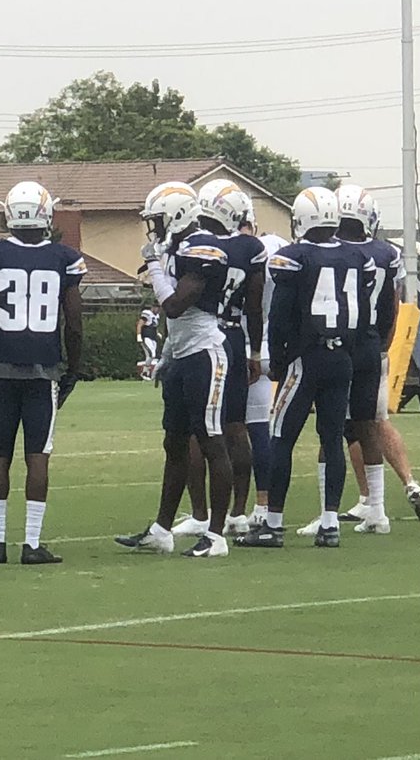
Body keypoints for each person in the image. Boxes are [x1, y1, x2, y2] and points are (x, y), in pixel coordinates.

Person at [236, 187, 374, 549]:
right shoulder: (358, 257)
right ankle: (330, 523)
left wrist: (279, 359)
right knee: (331, 439)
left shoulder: (293, 257)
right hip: (343, 356)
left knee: (282, 437)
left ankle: (273, 524)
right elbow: (365, 312)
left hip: (306, 357)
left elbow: (279, 316)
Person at [0, 181, 85, 565]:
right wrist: (73, 370)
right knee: (38, 456)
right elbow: (74, 324)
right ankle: (31, 544)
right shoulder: (65, 258)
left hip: (0, 368)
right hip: (43, 370)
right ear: (46, 214)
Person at [115, 182, 233, 559]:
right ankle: (161, 530)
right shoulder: (176, 248)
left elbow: (176, 306)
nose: (154, 227)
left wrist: (153, 264)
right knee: (175, 443)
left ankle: (216, 535)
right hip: (181, 355)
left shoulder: (203, 246)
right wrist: (166, 353)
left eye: (157, 219)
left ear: (177, 213)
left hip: (205, 353)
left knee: (212, 441)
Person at [296, 185, 419, 535]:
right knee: (368, 425)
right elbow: (392, 307)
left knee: (330, 429)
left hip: (340, 344)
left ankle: (328, 512)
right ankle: (377, 509)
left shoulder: (334, 252)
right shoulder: (386, 253)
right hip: (371, 345)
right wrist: (383, 343)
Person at [169, 180, 266, 538]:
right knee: (235, 427)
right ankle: (238, 512)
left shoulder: (195, 244)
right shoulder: (250, 247)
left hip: (204, 337)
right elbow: (254, 305)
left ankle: (201, 513)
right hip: (235, 334)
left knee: (200, 430)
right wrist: (255, 350)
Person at [245, 224, 290, 528]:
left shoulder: (254, 255)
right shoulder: (282, 251)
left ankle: (258, 506)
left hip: (253, 344)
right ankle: (261, 505)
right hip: (280, 343)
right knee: (264, 428)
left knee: (251, 426)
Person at [136, 304, 160, 381]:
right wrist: (139, 335)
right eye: (156, 308)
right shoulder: (147, 313)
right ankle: (147, 372)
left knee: (149, 357)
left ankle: (145, 373)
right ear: (152, 307)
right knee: (152, 354)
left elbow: (154, 326)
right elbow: (140, 324)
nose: (158, 310)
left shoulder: (157, 316)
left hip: (153, 337)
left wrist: (157, 333)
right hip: (146, 337)